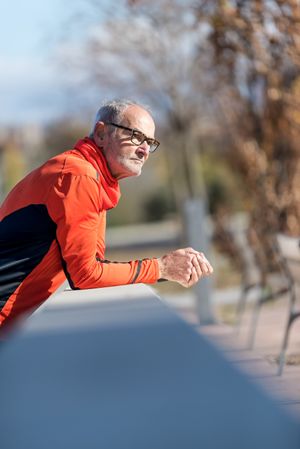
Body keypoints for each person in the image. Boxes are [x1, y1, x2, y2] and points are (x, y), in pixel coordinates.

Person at [0, 99, 213, 333]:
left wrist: (164, 269)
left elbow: (95, 266)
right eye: (136, 136)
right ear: (101, 133)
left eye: (150, 142)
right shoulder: (79, 176)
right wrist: (162, 268)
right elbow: (86, 275)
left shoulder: (94, 178)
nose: (144, 149)